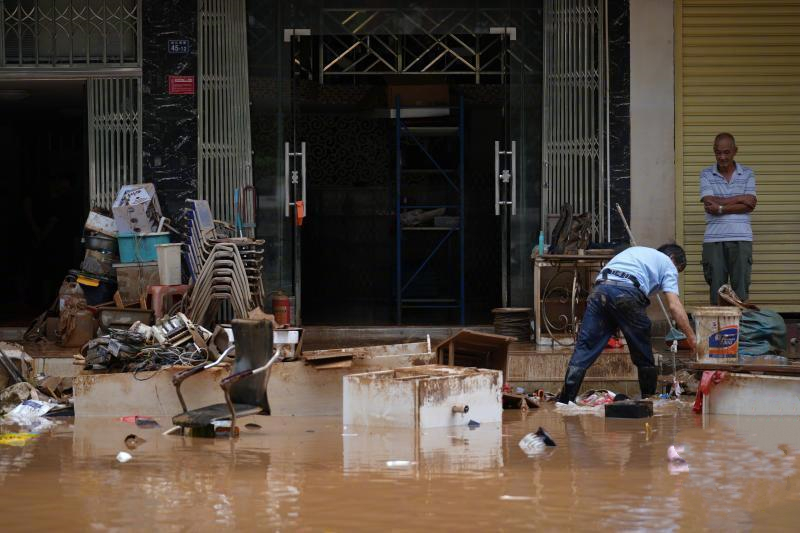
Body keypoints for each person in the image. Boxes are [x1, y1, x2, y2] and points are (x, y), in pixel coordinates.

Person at [556, 244, 697, 404]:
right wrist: (693, 340)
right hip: (626, 293)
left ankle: (564, 403)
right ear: (673, 259)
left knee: (584, 350)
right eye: (678, 271)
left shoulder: (636, 252)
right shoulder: (667, 263)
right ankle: (648, 401)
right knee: (643, 355)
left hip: (600, 290)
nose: (675, 276)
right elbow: (674, 306)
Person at [700, 133, 757, 304]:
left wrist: (721, 207)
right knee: (717, 291)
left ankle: (740, 329)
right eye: (718, 153)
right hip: (714, 240)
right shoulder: (706, 174)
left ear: (735, 151)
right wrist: (740, 198)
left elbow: (750, 204)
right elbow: (709, 203)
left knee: (741, 291)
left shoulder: (747, 173)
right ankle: (718, 330)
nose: (722, 157)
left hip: (741, 238)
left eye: (726, 152)